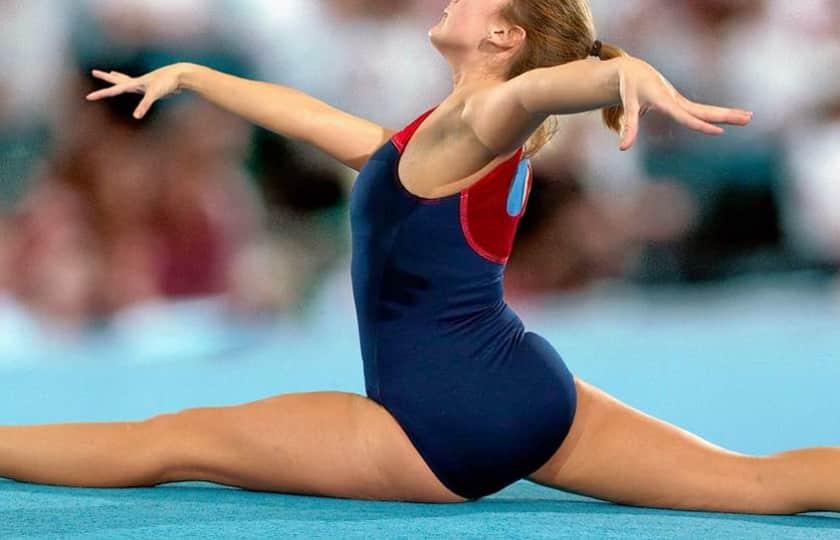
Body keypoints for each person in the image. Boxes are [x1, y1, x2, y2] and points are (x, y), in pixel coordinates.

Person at [2, 0, 836, 514]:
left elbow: (544, 89)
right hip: (530, 393)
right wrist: (195, 76)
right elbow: (311, 119)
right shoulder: (425, 142)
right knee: (750, 483)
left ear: (504, 35)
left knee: (172, 442)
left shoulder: (488, 119)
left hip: (429, 430)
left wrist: (626, 78)